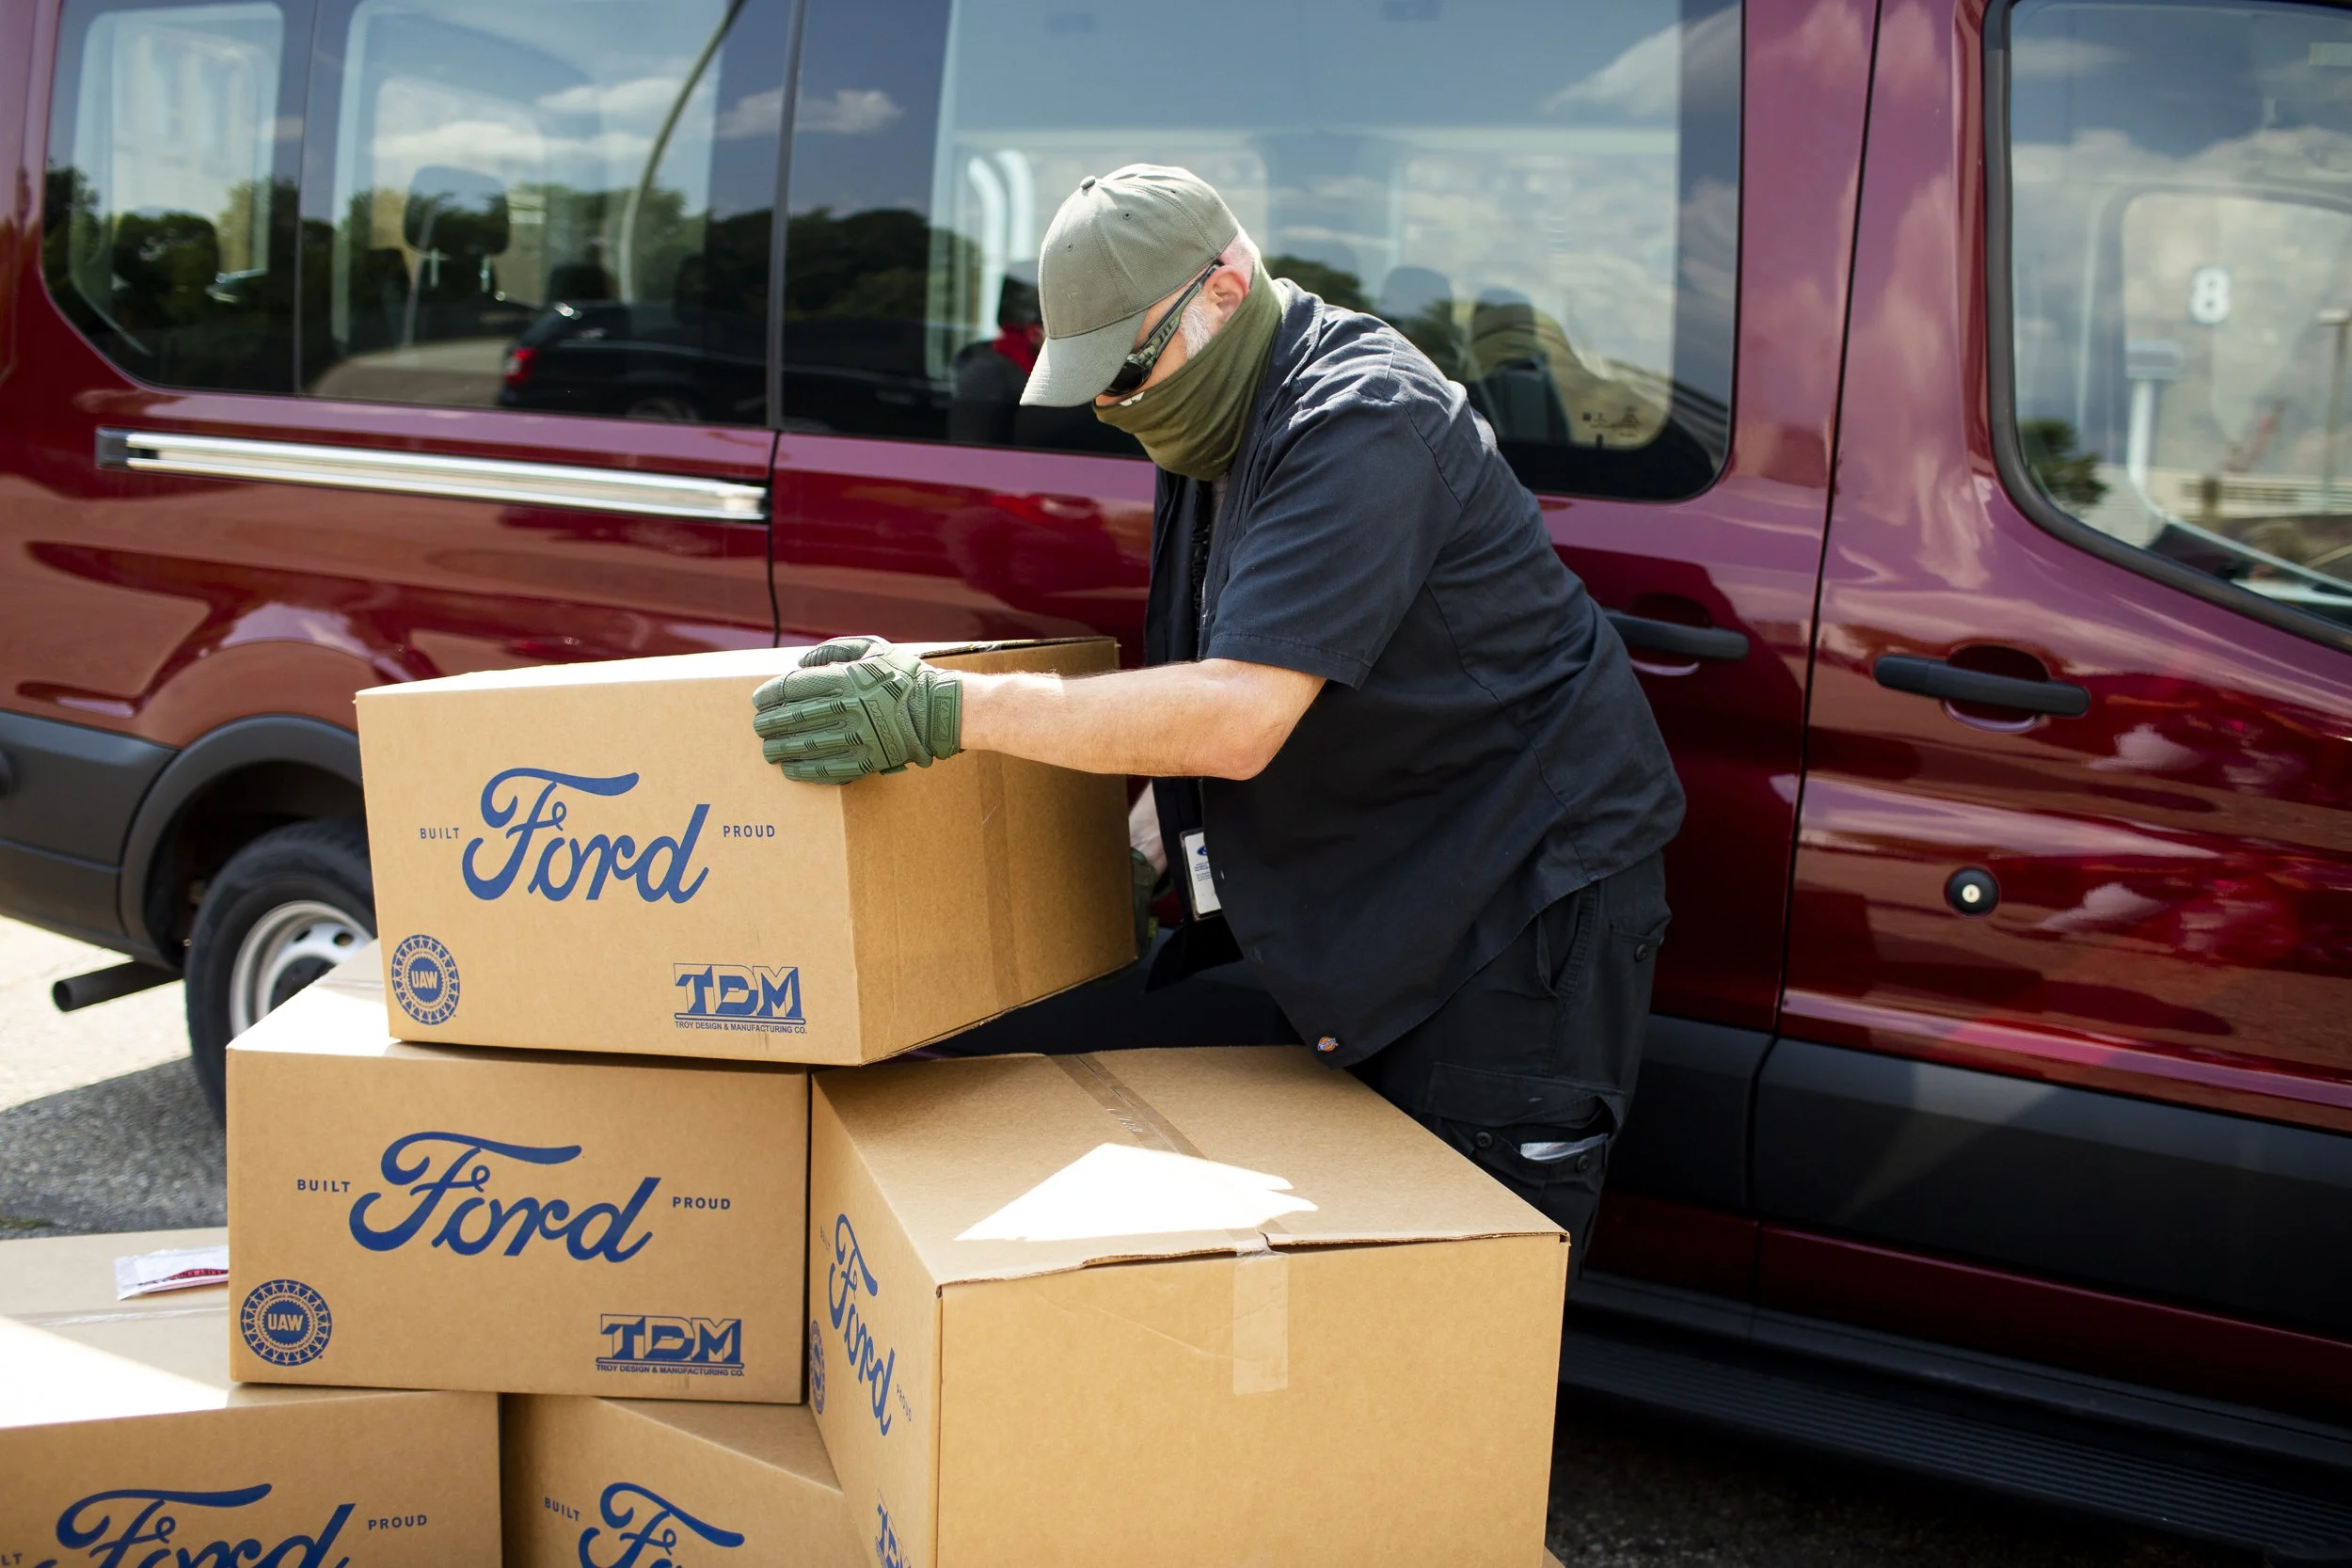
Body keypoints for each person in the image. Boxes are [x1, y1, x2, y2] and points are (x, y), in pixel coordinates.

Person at [750, 165, 1683, 1271]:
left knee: (1454, 1297)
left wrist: (942, 707)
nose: (1116, 406)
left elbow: (1237, 714)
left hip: (1513, 904)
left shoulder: (1359, 420)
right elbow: (1221, 653)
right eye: (1095, 384)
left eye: (1129, 369)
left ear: (1225, 291)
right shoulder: (1213, 411)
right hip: (1387, 893)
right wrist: (1142, 840)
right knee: (1348, 1277)